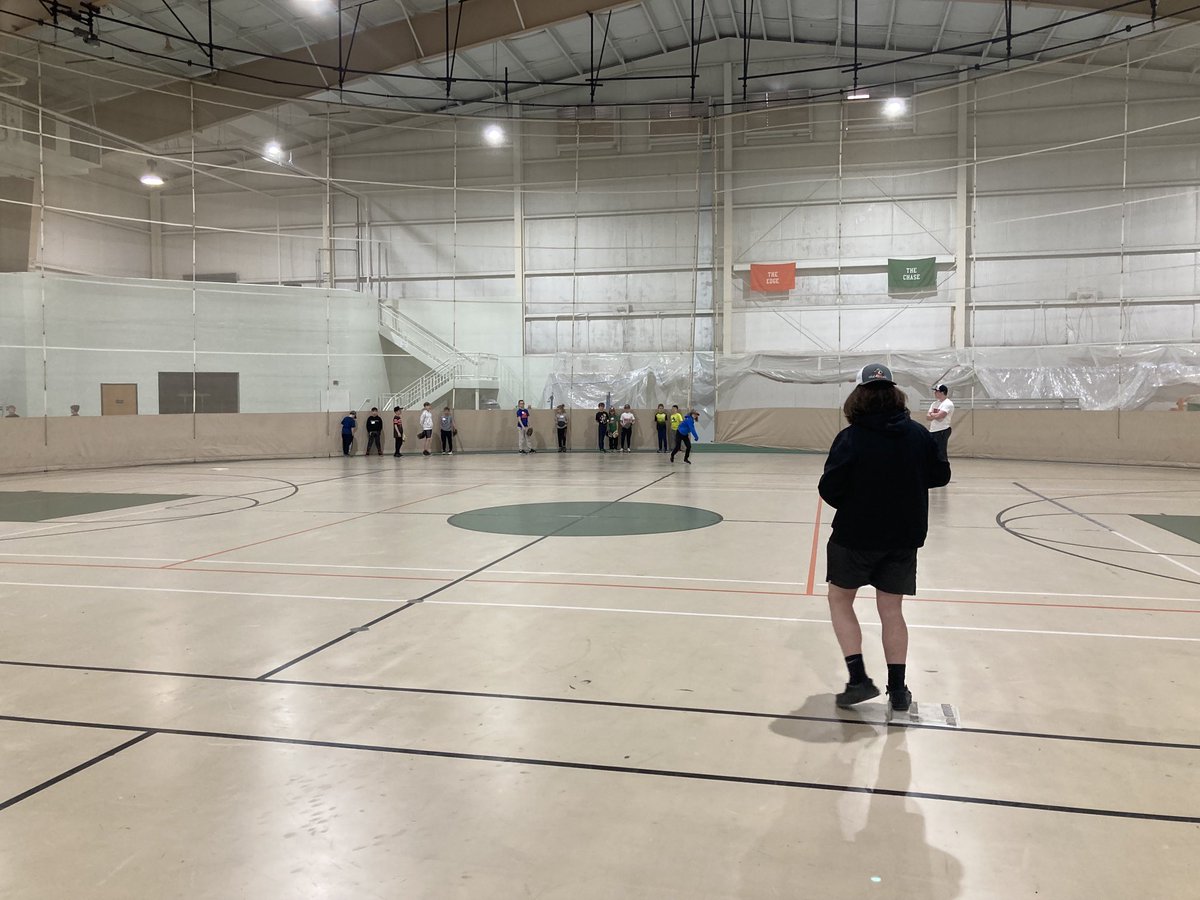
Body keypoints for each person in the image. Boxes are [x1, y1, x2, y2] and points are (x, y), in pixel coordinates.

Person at [818, 363, 951, 713]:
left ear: (858, 395)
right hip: (903, 537)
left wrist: (861, 499)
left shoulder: (850, 437)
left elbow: (829, 489)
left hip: (854, 536)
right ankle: (899, 690)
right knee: (891, 610)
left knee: (840, 599)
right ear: (895, 394)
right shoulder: (918, 434)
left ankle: (858, 678)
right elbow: (940, 475)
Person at [925, 384, 954, 463]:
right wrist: (934, 415)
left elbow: (940, 416)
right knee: (932, 451)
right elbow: (928, 417)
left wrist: (933, 415)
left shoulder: (948, 403)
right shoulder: (934, 403)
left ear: (942, 392)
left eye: (937, 391)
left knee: (941, 452)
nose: (935, 393)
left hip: (942, 430)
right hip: (933, 430)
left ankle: (943, 470)